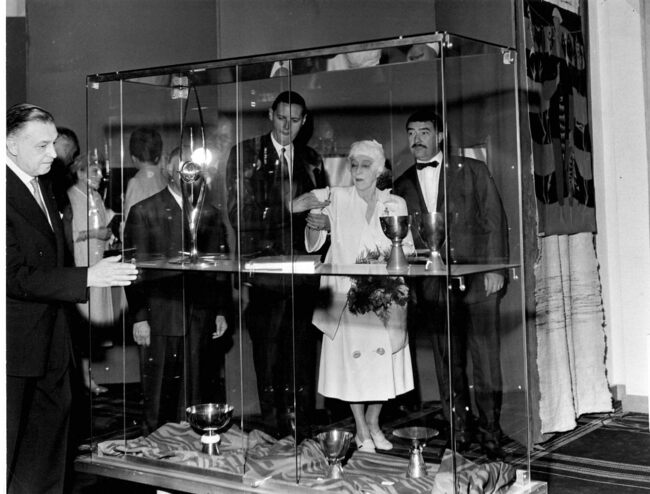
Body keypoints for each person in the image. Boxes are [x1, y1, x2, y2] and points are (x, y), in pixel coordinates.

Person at [6, 103, 138, 494]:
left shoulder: (41, 182)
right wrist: (88, 277)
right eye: (42, 145)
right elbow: (12, 275)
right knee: (11, 450)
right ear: (11, 145)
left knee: (48, 450)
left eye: (54, 144)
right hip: (14, 347)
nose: (54, 154)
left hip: (51, 342)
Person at [393, 109, 509, 458]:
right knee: (447, 362)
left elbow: (493, 221)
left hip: (478, 281)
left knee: (485, 360)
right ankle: (458, 431)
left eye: (425, 132)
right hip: (433, 287)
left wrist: (495, 270)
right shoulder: (402, 184)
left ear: (440, 136)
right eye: (411, 133)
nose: (417, 139)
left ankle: (490, 432)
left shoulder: (472, 170)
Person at [225, 90, 328, 435]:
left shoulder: (312, 158)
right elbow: (240, 215)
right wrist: (289, 208)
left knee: (301, 359)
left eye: (295, 120)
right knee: (268, 359)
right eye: (281, 117)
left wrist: (323, 223)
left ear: (304, 121)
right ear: (270, 114)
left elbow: (321, 210)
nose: (287, 126)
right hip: (266, 277)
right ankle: (272, 434)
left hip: (304, 277)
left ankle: (302, 436)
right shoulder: (245, 153)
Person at [303, 140, 415, 453]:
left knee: (383, 363)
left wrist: (385, 271)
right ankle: (362, 429)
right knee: (352, 367)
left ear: (379, 170)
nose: (357, 171)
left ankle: (373, 421)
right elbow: (313, 243)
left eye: (365, 165)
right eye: (353, 165)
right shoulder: (337, 198)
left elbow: (407, 248)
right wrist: (318, 217)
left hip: (384, 294)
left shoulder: (395, 204)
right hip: (343, 294)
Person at [124, 146, 231, 434]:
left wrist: (220, 311)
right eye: (182, 168)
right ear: (167, 171)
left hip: (200, 317)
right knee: (158, 396)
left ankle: (192, 447)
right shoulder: (144, 211)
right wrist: (139, 318)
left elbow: (219, 268)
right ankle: (155, 448)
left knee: (197, 393)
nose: (188, 175)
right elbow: (134, 270)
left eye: (194, 170)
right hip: (160, 317)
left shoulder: (210, 214)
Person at [67, 153, 118, 395]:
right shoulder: (71, 197)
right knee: (82, 326)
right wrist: (96, 233)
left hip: (99, 266)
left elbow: (102, 230)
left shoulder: (96, 196)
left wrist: (109, 236)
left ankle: (88, 378)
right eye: (94, 171)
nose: (100, 176)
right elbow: (72, 235)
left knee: (92, 328)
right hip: (82, 267)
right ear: (80, 173)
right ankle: (83, 380)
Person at [122, 126, 167, 224]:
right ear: (157, 156)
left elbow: (131, 225)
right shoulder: (165, 180)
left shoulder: (136, 183)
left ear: (133, 158)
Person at [43, 126, 80, 214]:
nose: (71, 159)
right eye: (72, 152)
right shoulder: (55, 168)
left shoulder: (55, 167)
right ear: (64, 138)